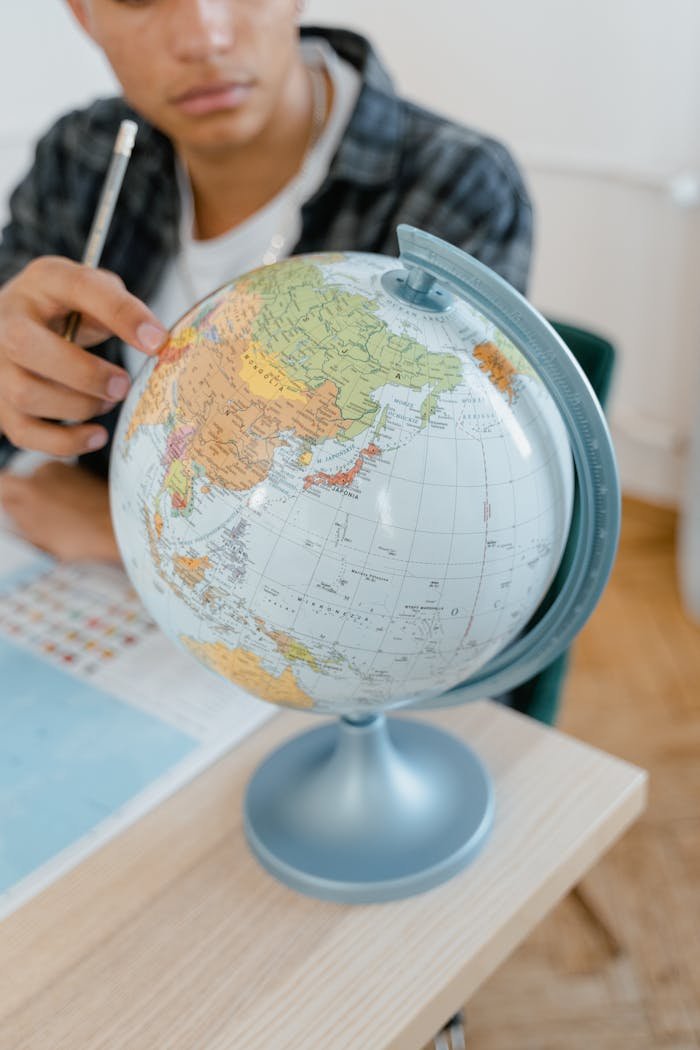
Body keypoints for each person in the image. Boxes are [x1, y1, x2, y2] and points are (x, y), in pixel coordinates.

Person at [0, 0, 532, 563]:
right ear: (83, 15)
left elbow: (431, 535)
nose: (204, 38)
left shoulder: (457, 188)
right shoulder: (81, 152)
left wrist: (130, 540)